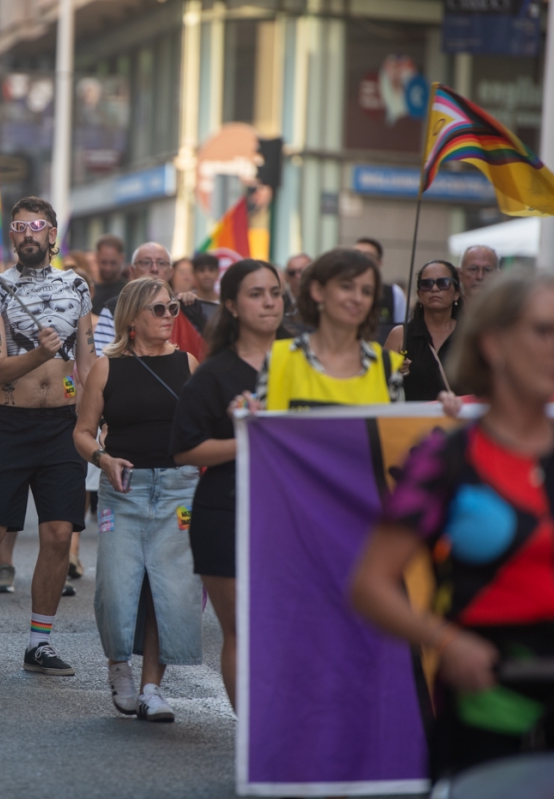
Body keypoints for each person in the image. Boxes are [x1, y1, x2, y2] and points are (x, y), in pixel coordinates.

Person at [351, 271, 554, 781]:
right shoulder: (445, 460)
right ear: (493, 343)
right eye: (543, 331)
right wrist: (447, 642)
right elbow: (370, 585)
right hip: (487, 708)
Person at [0, 195, 96, 676]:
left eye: (37, 225)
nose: (28, 233)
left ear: (52, 234)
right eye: (19, 227)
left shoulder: (77, 286)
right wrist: (40, 352)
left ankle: (39, 642)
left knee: (57, 534)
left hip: (62, 425)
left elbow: (89, 359)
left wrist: (94, 415)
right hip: (10, 424)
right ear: (11, 237)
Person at [74, 278, 202, 721]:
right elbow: (82, 433)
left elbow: (207, 425)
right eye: (159, 310)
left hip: (179, 490)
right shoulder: (106, 369)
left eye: (172, 309)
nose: (169, 317)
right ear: (132, 317)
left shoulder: (188, 362)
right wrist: (103, 459)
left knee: (169, 592)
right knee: (116, 586)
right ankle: (118, 668)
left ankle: (151, 687)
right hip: (123, 492)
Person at [171, 259, 286, 707]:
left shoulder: (305, 362)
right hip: (228, 510)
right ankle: (253, 745)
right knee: (242, 628)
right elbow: (185, 449)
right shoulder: (214, 373)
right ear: (233, 306)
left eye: (275, 292)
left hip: (293, 512)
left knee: (284, 627)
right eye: (257, 294)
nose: (269, 302)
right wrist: (249, 441)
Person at [253, 248, 405, 410]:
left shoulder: (386, 366)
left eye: (367, 291)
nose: (357, 298)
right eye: (346, 287)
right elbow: (262, 431)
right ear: (318, 291)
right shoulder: (279, 358)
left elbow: (398, 433)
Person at [384, 259, 463, 401]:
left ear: (456, 293)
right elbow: (382, 385)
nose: (434, 289)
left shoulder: (470, 336)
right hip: (412, 420)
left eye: (443, 283)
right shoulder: (400, 335)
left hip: (459, 420)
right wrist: (396, 371)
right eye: (426, 284)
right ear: (419, 294)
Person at [353, 237, 407, 342]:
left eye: (368, 256)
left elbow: (402, 330)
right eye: (356, 255)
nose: (361, 260)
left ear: (379, 263)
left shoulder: (394, 293)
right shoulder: (340, 291)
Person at [91, 234, 127, 315]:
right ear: (96, 257)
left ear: (122, 258)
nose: (108, 268)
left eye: (113, 263)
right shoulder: (87, 289)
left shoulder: (128, 290)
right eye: (104, 262)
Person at [282, 252, 311, 330]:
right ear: (286, 277)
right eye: (292, 273)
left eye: (302, 271)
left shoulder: (323, 304)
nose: (297, 276)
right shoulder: (278, 303)